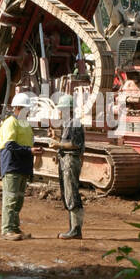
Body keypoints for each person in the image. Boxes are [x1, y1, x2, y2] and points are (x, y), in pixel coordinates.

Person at [0, 92, 34, 240]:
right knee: (10, 199)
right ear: (18, 108)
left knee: (18, 200)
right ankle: (7, 229)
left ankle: (15, 228)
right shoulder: (10, 122)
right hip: (12, 165)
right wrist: (30, 150)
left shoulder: (24, 124)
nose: (29, 112)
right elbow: (10, 145)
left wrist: (32, 150)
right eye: (27, 109)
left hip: (23, 166)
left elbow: (27, 143)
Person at [51, 94, 85, 239]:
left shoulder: (74, 123)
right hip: (66, 160)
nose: (58, 112)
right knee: (68, 193)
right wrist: (56, 139)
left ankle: (76, 230)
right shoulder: (69, 123)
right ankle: (73, 228)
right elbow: (68, 142)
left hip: (70, 161)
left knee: (72, 193)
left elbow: (75, 145)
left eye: (60, 109)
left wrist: (58, 144)